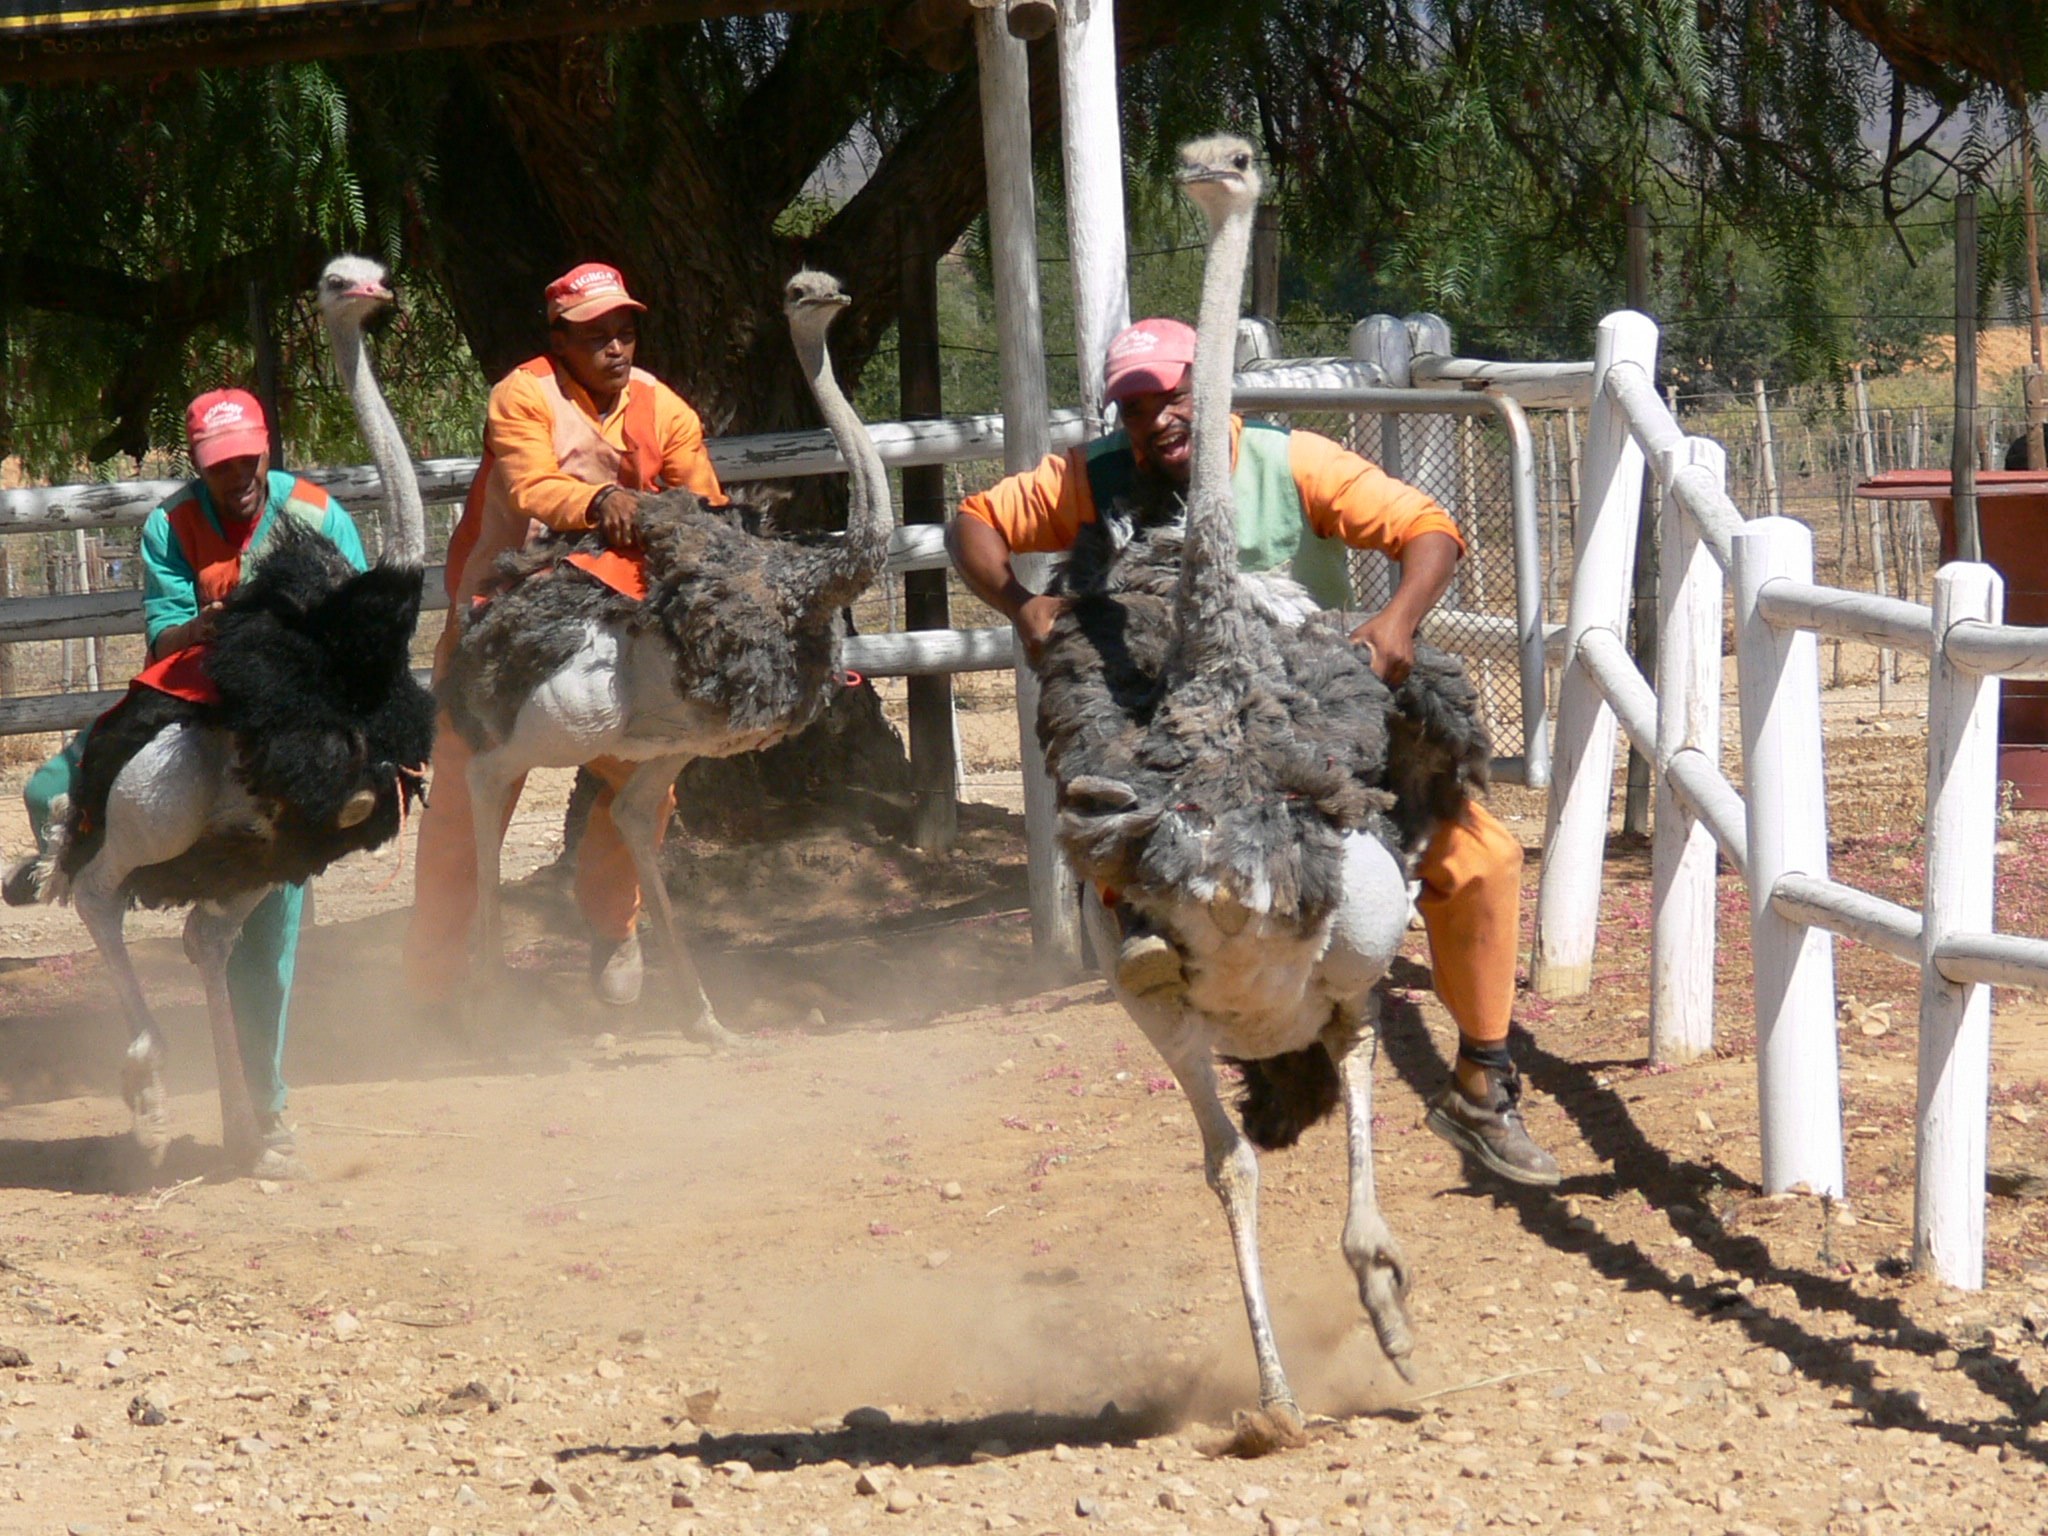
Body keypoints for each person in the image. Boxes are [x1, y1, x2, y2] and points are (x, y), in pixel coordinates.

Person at [946, 317, 1558, 1187]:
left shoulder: (1291, 462)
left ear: (1213, 386)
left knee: (1479, 857)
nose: (1157, 418)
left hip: (1311, 709)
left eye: (1174, 394)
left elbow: (1427, 528)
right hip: (1173, 727)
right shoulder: (1097, 476)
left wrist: (1394, 622)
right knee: (1115, 799)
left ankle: (1483, 1085)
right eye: (1137, 404)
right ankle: (1143, 931)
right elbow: (976, 519)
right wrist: (1022, 606)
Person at [5, 388, 369, 1178]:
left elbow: (357, 625)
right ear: (198, 464)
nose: (237, 477)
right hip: (192, 696)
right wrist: (209, 624)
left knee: (271, 925)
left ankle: (264, 1118)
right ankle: (75, 861)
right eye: (220, 464)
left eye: (248, 459)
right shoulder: (170, 525)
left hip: (282, 721)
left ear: (268, 450)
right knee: (48, 793)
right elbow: (162, 635)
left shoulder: (316, 512)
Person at [402, 262, 728, 1008]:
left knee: (648, 789)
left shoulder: (664, 409)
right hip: (500, 623)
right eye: (595, 335)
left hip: (613, 628)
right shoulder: (523, 393)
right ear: (559, 340)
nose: (616, 346)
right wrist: (602, 499)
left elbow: (704, 504)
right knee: (459, 809)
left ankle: (615, 931)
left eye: (625, 330)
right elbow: (529, 488)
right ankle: (434, 991)